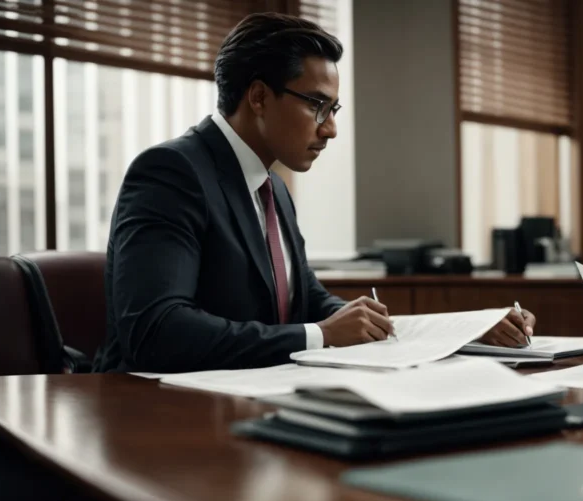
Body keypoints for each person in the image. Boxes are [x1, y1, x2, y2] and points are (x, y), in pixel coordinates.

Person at [95, 13, 532, 373]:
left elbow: (309, 301)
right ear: (260, 97)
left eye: (333, 108)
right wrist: (321, 335)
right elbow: (155, 332)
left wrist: (461, 330)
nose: (331, 128)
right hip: (155, 419)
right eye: (317, 105)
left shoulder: (274, 190)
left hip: (249, 403)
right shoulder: (172, 173)